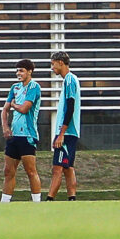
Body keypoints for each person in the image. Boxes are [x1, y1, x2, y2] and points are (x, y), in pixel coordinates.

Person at [1, 58, 44, 203]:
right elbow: (5, 109)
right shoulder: (15, 87)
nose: (18, 73)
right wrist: (5, 127)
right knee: (8, 171)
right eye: (17, 70)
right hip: (14, 135)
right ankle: (4, 202)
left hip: (27, 135)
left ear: (29, 71)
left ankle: (37, 202)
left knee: (30, 171)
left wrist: (14, 105)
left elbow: (25, 108)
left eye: (21, 70)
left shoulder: (34, 87)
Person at [48, 51, 82, 200]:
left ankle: (49, 199)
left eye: (53, 63)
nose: (52, 67)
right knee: (68, 167)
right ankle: (72, 199)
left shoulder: (69, 80)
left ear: (60, 62)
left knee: (58, 168)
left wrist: (61, 134)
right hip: (68, 132)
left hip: (67, 132)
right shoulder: (70, 80)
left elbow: (70, 107)